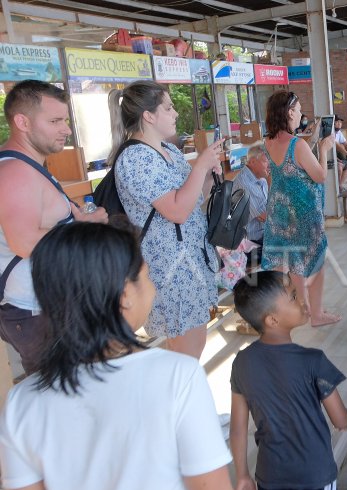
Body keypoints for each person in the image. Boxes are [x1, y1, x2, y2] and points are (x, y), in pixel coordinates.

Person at [0, 221, 249, 490]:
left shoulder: (24, 402)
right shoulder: (176, 376)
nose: (154, 286)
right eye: (146, 276)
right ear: (125, 295)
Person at [109, 80, 224, 359]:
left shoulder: (170, 151)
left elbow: (193, 199)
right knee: (188, 350)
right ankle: (184, 399)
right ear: (148, 115)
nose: (175, 114)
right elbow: (176, 211)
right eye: (169, 108)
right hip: (170, 267)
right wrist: (200, 166)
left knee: (191, 343)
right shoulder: (136, 158)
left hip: (190, 260)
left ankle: (184, 398)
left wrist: (208, 173)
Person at [0, 80, 108, 376]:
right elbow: (24, 242)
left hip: (48, 308)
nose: (67, 129)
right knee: (65, 406)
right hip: (39, 313)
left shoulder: (28, 166)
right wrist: (82, 231)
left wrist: (82, 221)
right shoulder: (15, 173)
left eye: (66, 120)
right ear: (22, 122)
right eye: (55, 121)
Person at [230, 270, 347, 490]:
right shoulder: (313, 361)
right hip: (316, 476)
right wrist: (346, 418)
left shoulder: (242, 363)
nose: (303, 301)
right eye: (294, 297)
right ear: (272, 320)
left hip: (270, 477)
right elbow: (340, 419)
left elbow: (238, 428)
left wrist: (242, 475)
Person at [260, 91, 340, 327]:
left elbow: (289, 168)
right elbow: (320, 175)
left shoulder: (268, 141)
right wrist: (324, 148)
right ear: (289, 113)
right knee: (314, 263)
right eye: (298, 110)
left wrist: (313, 141)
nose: (301, 115)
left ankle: (302, 311)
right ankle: (315, 315)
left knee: (293, 262)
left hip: (279, 212)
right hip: (303, 214)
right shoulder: (297, 145)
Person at [233, 145, 271, 264]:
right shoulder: (244, 183)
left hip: (263, 235)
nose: (269, 165)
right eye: (265, 161)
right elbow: (265, 217)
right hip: (251, 244)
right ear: (253, 162)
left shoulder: (261, 179)